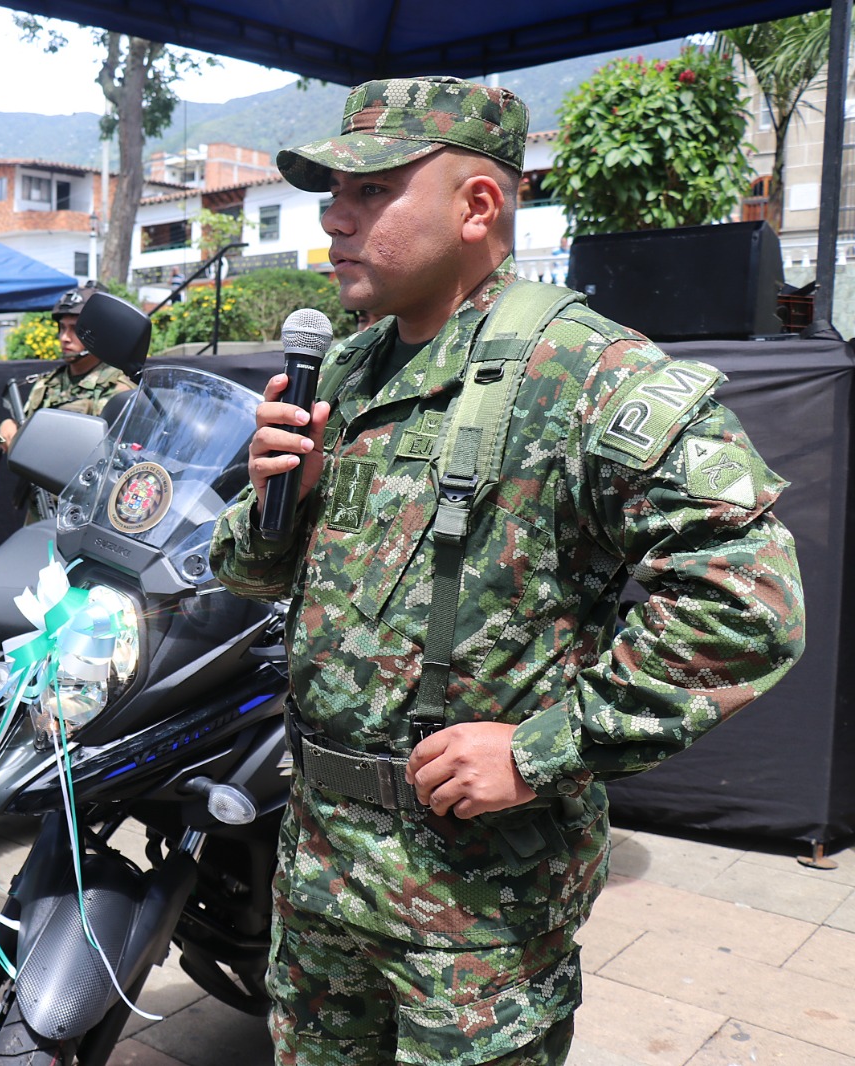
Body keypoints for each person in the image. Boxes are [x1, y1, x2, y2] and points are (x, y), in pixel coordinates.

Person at [209, 76, 805, 1066]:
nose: (334, 217)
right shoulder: (349, 369)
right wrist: (281, 498)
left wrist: (539, 749)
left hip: (474, 910)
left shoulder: (584, 370)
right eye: (333, 193)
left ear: (477, 206)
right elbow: (251, 571)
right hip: (319, 874)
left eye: (371, 191)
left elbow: (750, 602)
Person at [0, 282, 133, 448]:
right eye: (62, 328)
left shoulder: (120, 392)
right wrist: (10, 425)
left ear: (100, 334)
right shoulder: (46, 385)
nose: (64, 338)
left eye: (75, 329)